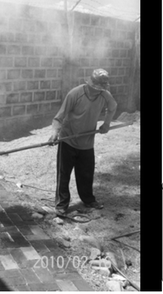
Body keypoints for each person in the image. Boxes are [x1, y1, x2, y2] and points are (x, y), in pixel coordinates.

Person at [48, 68, 117, 215]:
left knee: (86, 174)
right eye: (95, 87)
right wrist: (55, 133)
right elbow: (59, 117)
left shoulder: (105, 95)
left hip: (87, 142)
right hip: (68, 140)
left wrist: (107, 124)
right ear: (90, 83)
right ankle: (61, 204)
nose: (97, 91)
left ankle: (88, 200)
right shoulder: (75, 94)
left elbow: (113, 107)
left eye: (100, 89)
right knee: (64, 174)